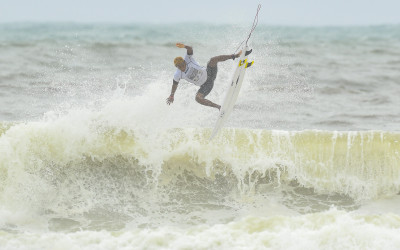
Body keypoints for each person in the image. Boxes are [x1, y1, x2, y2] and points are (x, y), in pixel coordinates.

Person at [166, 43, 241, 110]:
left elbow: (190, 49)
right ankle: (219, 107)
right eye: (179, 67)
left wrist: (185, 46)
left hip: (209, 73)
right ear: (177, 67)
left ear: (184, 62)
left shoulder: (188, 59)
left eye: (182, 65)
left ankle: (235, 56)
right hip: (206, 86)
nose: (181, 67)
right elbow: (174, 85)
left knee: (213, 60)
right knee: (198, 98)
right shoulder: (178, 74)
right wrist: (172, 95)